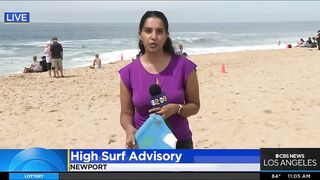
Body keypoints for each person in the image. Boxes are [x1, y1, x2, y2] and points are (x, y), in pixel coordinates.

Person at [119, 11, 200, 149]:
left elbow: (195, 106)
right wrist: (129, 129)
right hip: (144, 143)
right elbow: (126, 113)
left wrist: (177, 108)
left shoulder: (185, 66)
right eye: (148, 31)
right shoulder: (128, 72)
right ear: (140, 34)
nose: (153, 36)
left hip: (180, 144)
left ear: (166, 35)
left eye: (159, 31)